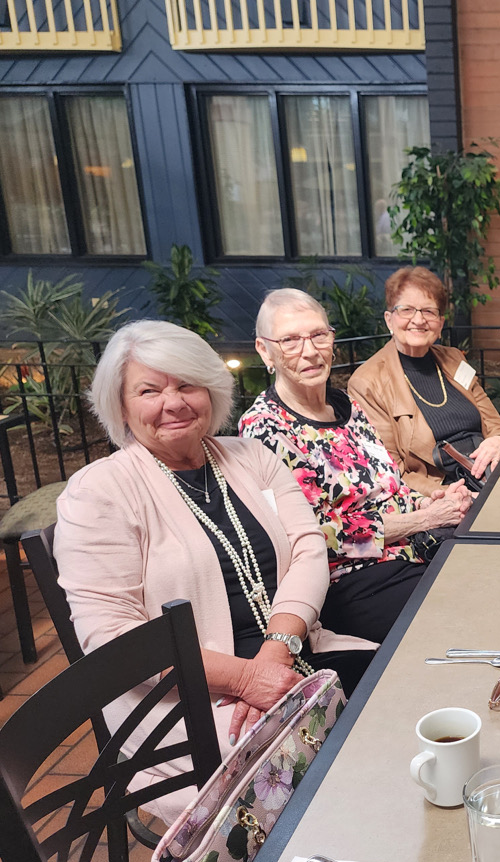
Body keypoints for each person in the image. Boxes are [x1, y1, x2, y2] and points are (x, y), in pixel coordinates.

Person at [54, 321, 377, 823]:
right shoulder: (98, 493)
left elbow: (309, 549)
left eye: (186, 384)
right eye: (149, 390)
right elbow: (112, 637)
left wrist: (275, 654)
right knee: (335, 784)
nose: (174, 402)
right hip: (184, 699)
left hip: (292, 654)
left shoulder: (251, 457)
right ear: (120, 406)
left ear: (211, 390)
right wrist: (247, 678)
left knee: (397, 710)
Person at [240, 289, 473, 641]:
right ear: (264, 350)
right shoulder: (265, 429)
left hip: (414, 551)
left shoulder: (346, 406)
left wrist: (429, 502)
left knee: (493, 578)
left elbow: (389, 485)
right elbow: (318, 536)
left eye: (319, 335)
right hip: (352, 582)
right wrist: (425, 519)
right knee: (464, 617)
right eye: (290, 340)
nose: (310, 351)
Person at [347, 266, 500, 496]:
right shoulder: (367, 383)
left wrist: (499, 441)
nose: (418, 320)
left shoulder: (454, 359)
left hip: (490, 475)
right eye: (406, 310)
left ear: (440, 322)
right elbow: (393, 470)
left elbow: (496, 423)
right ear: (389, 319)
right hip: (440, 493)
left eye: (428, 311)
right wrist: (450, 495)